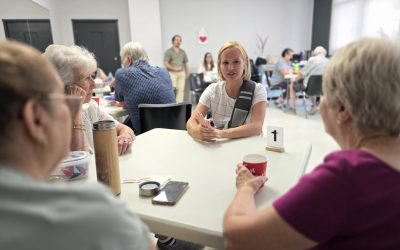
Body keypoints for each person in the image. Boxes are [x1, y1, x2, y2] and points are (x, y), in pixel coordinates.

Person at [223, 37, 400, 249]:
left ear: (342, 109)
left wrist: (245, 187)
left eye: (326, 94)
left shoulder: (346, 178)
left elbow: (237, 237)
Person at [0, 40, 154, 250]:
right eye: (60, 105)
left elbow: (121, 128)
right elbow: (78, 168)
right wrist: (75, 112)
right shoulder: (91, 213)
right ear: (35, 118)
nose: (94, 84)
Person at [43, 44, 134, 155]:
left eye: (92, 76)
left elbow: (122, 128)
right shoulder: (51, 117)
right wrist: (75, 109)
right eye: (86, 78)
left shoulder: (89, 106)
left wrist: (124, 137)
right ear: (65, 85)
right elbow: (80, 163)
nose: (94, 85)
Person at [186, 40, 267, 141]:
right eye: (225, 62)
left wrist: (220, 133)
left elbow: (256, 127)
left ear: (245, 62)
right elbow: (191, 121)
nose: (231, 68)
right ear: (219, 65)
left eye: (236, 62)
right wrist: (197, 132)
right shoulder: (212, 90)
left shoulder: (258, 90)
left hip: (249, 150)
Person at [115, 42, 176, 135]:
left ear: (129, 59)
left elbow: (123, 104)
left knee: (120, 129)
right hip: (173, 129)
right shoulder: (164, 71)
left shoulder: (122, 73)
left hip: (144, 134)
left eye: (122, 60)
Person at [289, 46, 329, 115]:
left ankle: (293, 108)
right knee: (313, 85)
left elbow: (302, 73)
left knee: (292, 84)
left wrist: (294, 79)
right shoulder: (328, 61)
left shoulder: (312, 60)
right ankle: (314, 106)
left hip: (310, 87)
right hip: (323, 87)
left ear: (315, 53)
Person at [164, 34, 189, 103]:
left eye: (180, 40)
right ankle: (172, 104)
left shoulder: (183, 52)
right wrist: (174, 69)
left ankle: (179, 105)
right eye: (177, 40)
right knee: (173, 90)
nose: (178, 42)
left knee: (181, 90)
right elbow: (166, 63)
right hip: (172, 73)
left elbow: (186, 63)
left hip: (181, 73)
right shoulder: (168, 51)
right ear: (173, 41)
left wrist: (187, 73)